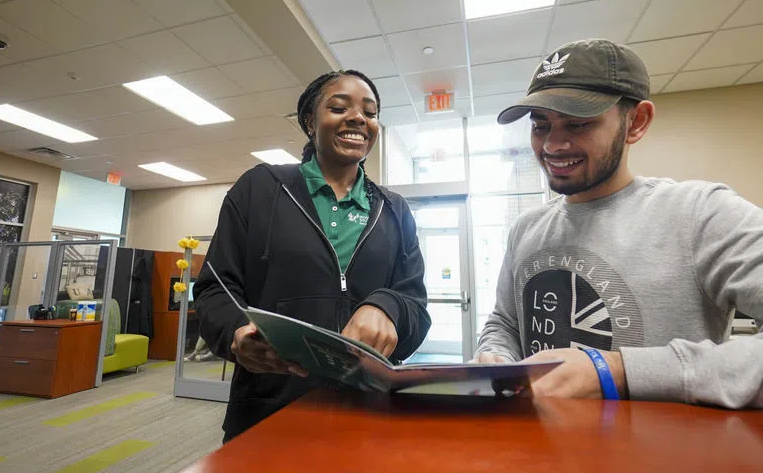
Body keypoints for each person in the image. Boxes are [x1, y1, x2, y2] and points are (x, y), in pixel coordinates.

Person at [475, 38, 763, 409]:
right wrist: (495, 357)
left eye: (578, 125)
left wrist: (616, 372)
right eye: (541, 126)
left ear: (636, 123)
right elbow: (505, 323)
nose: (553, 145)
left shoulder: (703, 214)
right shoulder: (526, 228)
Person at [193, 69, 431, 442]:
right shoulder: (259, 189)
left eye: (369, 113)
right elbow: (213, 289)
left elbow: (416, 307)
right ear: (309, 121)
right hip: (268, 414)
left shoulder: (394, 210)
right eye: (339, 107)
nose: (358, 118)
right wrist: (237, 332)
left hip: (368, 414)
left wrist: (388, 307)